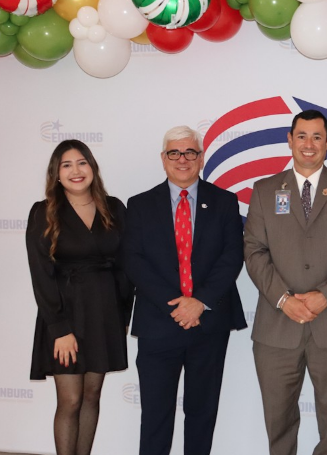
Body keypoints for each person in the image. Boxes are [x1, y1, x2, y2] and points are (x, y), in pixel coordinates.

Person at [244, 109, 327, 455]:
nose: (309, 144)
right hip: (276, 325)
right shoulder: (264, 190)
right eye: (302, 135)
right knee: (279, 423)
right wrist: (284, 299)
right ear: (290, 140)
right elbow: (254, 252)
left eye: (317, 136)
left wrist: (324, 296)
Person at [123, 126, 247, 455]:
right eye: (174, 153)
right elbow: (134, 261)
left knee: (202, 413)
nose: (183, 159)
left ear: (201, 158)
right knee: (155, 415)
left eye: (190, 152)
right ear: (163, 159)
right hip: (158, 324)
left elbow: (232, 256)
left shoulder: (224, 202)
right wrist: (176, 306)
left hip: (208, 324)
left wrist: (200, 302)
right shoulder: (139, 205)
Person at [26, 140, 133, 455]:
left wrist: (123, 317)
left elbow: (126, 267)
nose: (76, 170)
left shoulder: (114, 208)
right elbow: (40, 273)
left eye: (82, 162)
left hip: (105, 312)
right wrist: (59, 328)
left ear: (92, 167)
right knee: (70, 400)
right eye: (67, 164)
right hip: (65, 314)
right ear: (56, 173)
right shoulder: (44, 212)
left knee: (91, 396)